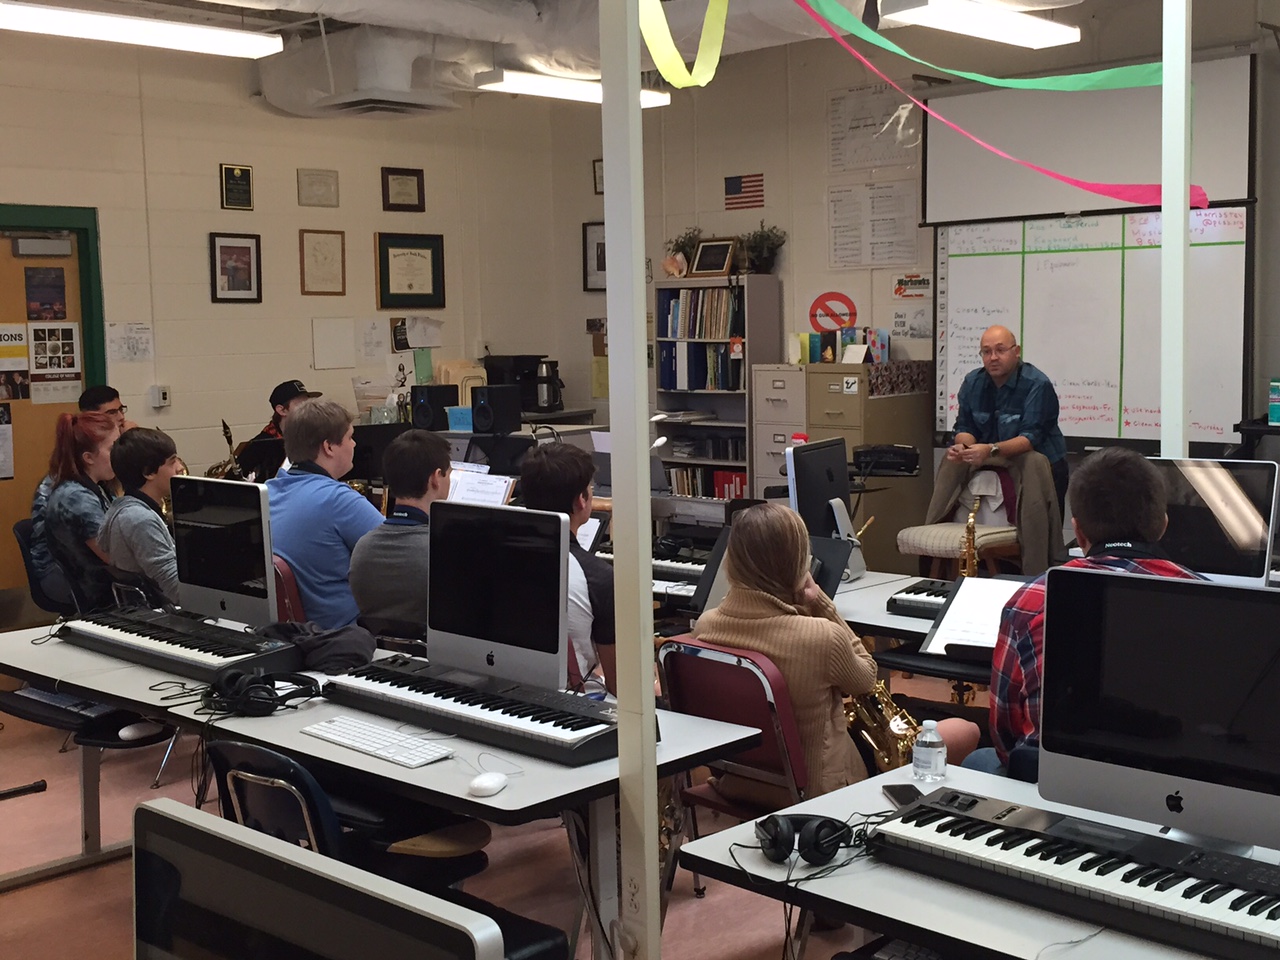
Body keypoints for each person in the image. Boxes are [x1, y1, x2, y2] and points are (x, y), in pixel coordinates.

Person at [964, 447, 1202, 776]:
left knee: (979, 760)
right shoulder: (1208, 598)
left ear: (1077, 531)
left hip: (1053, 782)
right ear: (1163, 525)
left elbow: (1005, 734)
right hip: (1174, 786)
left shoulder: (1033, 598)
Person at [691, 502, 881, 804]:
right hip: (814, 796)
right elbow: (866, 678)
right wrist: (821, 603)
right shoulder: (822, 636)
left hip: (738, 783)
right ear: (798, 563)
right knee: (955, 732)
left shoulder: (706, 625)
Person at [267, 398, 382, 629]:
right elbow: (401, 559)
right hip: (341, 636)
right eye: (350, 437)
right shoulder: (338, 500)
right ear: (328, 447)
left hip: (288, 634)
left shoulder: (268, 491)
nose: (354, 444)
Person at [519, 443, 616, 696]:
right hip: (572, 700)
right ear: (582, 499)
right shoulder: (598, 577)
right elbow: (620, 684)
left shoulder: (496, 553)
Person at [948, 324, 1069, 517]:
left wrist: (989, 450)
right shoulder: (973, 382)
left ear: (1016, 351)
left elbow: (1029, 438)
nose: (993, 357)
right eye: (986, 352)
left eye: (1000, 350)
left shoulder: (1037, 384)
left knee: (1037, 528)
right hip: (992, 466)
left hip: (1041, 468)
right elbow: (965, 426)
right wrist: (964, 448)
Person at [349, 430, 452, 631]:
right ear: (436, 478)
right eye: (449, 474)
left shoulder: (362, 548)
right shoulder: (442, 553)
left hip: (375, 647)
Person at [43, 411, 119, 611]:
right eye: (113, 448)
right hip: (99, 597)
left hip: (106, 587)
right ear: (88, 458)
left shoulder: (99, 487)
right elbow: (114, 556)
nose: (120, 454)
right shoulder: (76, 498)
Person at [99, 427, 184, 604]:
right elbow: (176, 589)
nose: (180, 468)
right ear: (148, 472)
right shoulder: (139, 520)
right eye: (172, 462)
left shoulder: (124, 508)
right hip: (161, 611)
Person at [251, 379, 321, 443]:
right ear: (282, 410)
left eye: (308, 403)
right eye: (301, 404)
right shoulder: (261, 445)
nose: (308, 408)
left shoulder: (315, 437)